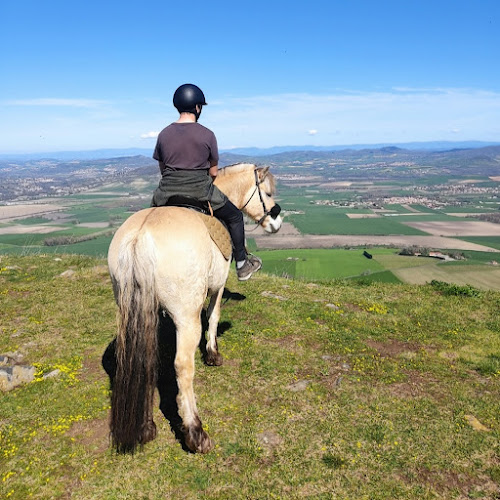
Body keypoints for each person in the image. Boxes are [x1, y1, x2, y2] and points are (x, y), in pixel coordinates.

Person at [151, 83, 262, 281]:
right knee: (235, 216)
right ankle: (242, 264)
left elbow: (162, 170)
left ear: (177, 106)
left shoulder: (163, 134)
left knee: (147, 219)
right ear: (197, 107)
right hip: (200, 191)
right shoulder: (207, 134)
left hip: (166, 192)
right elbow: (212, 173)